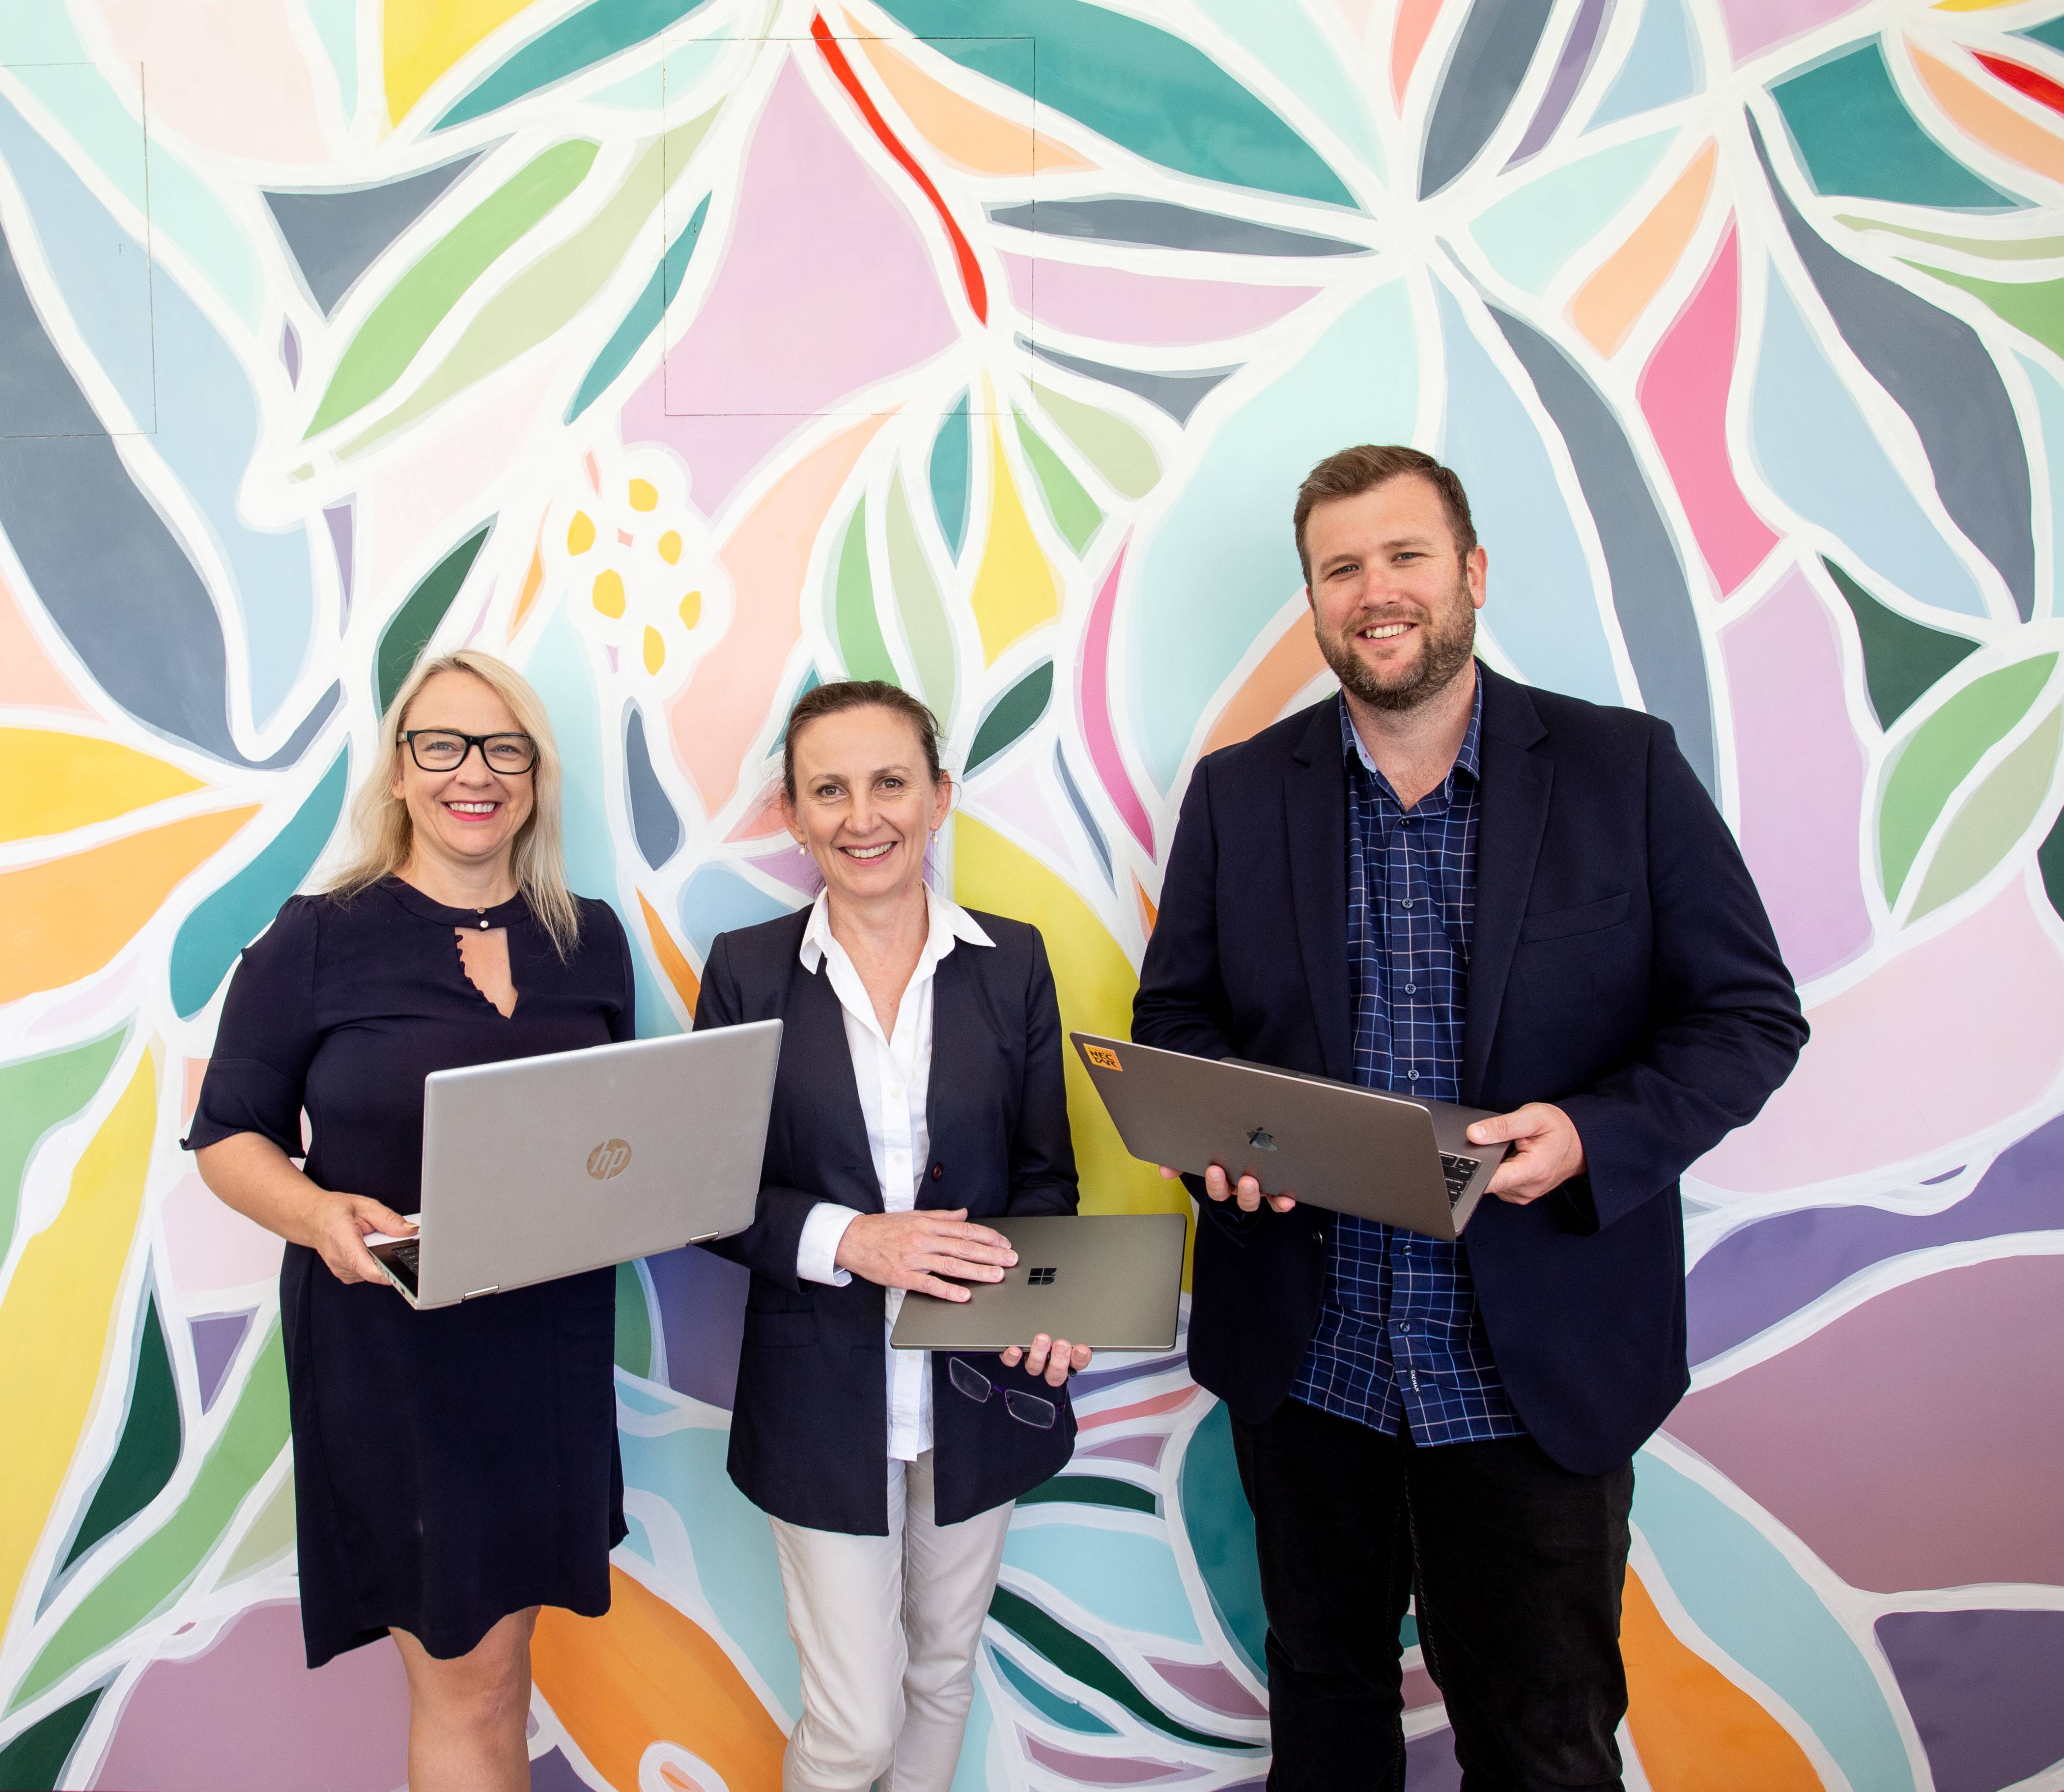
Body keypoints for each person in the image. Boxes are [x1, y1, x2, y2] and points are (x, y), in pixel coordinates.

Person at [1131, 446, 1808, 1791]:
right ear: (1316, 603)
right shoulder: (1238, 795)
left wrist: (1591, 1135)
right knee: (1326, 1725)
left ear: (1472, 575)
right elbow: (1178, 1031)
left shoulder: (1626, 772)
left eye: (1404, 557)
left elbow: (1749, 1020)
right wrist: (1229, 1159)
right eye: (1340, 569)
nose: (1375, 592)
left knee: (1543, 1746)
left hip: (1529, 1374)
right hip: (1310, 1366)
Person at [187, 648, 634, 1792]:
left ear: (534, 776)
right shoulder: (317, 938)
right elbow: (229, 1138)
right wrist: (315, 1210)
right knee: (470, 1680)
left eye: (502, 748)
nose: (470, 773)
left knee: (505, 1664)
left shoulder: (589, 938)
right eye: (440, 744)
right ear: (398, 771)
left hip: (546, 1353)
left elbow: (608, 1135)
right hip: (395, 1356)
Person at [693, 680, 1089, 1792]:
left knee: (943, 1675)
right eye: (829, 789)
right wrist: (850, 1239)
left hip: (981, 1379)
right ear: (793, 812)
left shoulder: (1013, 962)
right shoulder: (745, 971)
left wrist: (1053, 1303)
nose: (861, 816)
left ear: (938, 798)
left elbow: (1046, 1181)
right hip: (819, 1388)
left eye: (888, 783)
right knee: (856, 1726)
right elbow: (708, 1195)